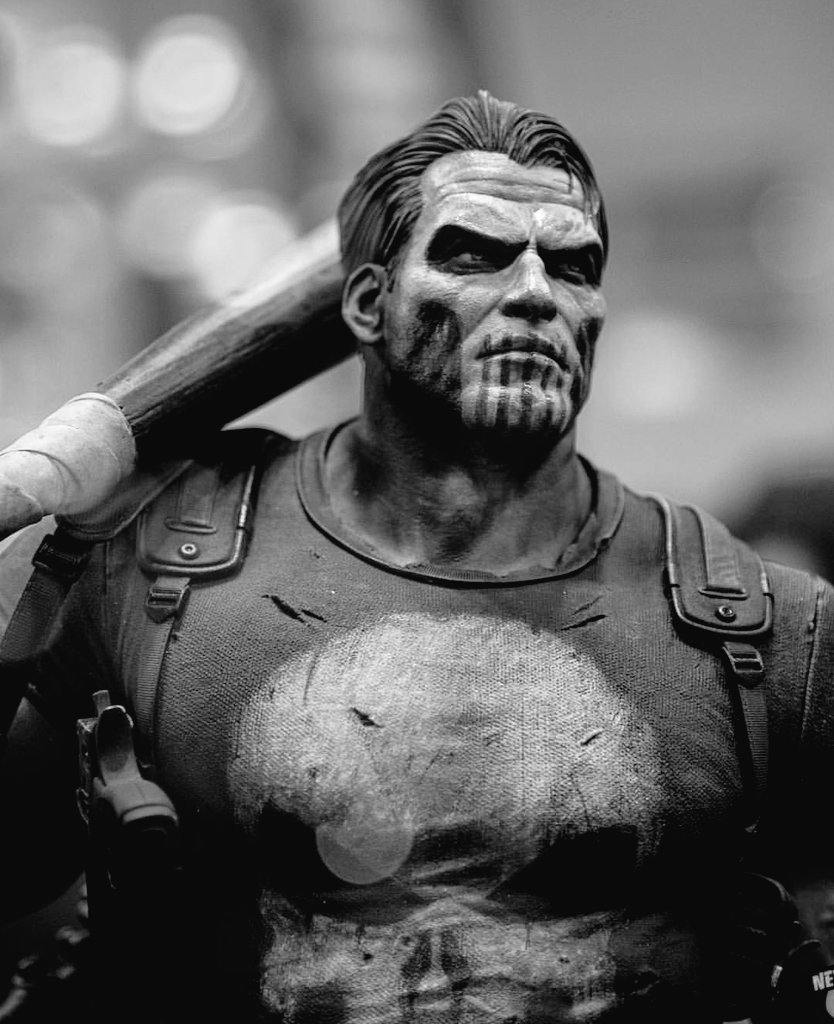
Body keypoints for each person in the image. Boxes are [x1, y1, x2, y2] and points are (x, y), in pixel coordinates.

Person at [1, 91, 833, 1024]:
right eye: (473, 254)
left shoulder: (767, 634)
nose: (537, 293)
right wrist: (29, 579)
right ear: (368, 303)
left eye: (573, 265)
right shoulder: (154, 574)